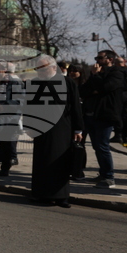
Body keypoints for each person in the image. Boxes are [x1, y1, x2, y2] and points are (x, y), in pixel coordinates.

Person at [30, 56, 84, 207]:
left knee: (60, 161)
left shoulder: (67, 83)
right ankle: (40, 194)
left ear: (54, 68)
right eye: (38, 69)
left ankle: (61, 197)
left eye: (43, 69)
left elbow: (76, 107)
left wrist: (78, 128)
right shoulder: (34, 83)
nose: (40, 72)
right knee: (41, 161)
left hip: (62, 127)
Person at [80, 50, 125, 188]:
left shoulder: (116, 73)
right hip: (91, 114)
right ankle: (103, 174)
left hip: (105, 115)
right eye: (96, 57)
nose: (97, 60)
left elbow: (105, 87)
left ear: (110, 59)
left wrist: (95, 78)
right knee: (96, 146)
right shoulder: (97, 74)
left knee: (102, 146)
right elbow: (83, 91)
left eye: (100, 58)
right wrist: (95, 82)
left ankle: (109, 177)